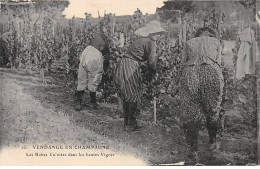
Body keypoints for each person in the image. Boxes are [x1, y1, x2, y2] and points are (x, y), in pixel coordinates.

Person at [178, 27, 224, 159]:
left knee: (191, 111)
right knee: (213, 109)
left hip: (190, 72)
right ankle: (213, 143)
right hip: (211, 72)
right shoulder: (216, 42)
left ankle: (193, 149)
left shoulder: (189, 42)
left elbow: (182, 63)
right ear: (210, 34)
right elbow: (219, 63)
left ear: (198, 35)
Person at [115, 20, 166, 132]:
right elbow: (151, 62)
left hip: (125, 64)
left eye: (158, 33)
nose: (158, 35)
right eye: (156, 33)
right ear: (151, 33)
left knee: (128, 94)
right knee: (133, 94)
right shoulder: (150, 42)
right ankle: (130, 125)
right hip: (130, 65)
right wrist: (154, 73)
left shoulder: (142, 40)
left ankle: (127, 123)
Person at [75, 35, 108, 111]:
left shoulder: (88, 47)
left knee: (82, 80)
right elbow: (103, 49)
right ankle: (93, 103)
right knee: (94, 80)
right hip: (94, 56)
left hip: (86, 54)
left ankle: (78, 103)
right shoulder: (102, 43)